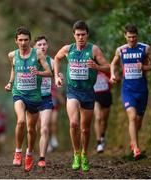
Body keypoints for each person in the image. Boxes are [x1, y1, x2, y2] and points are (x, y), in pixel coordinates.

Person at [54, 20, 109, 172]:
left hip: (88, 92)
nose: (80, 38)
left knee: (85, 129)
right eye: (78, 35)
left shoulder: (94, 50)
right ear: (74, 35)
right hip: (72, 91)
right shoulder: (68, 49)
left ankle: (84, 153)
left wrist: (97, 67)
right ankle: (76, 153)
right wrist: (57, 76)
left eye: (83, 35)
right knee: (73, 124)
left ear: (87, 35)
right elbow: (57, 58)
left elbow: (108, 67)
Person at [4, 26, 52, 172]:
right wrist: (10, 82)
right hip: (18, 93)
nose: (23, 43)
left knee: (31, 130)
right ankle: (18, 151)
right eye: (20, 40)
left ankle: (29, 153)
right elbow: (13, 69)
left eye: (26, 40)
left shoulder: (37, 54)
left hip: (34, 96)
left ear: (30, 41)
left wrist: (38, 72)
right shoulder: (12, 55)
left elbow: (49, 72)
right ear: (16, 41)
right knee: (21, 121)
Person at [110, 23, 151, 159]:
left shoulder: (145, 49)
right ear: (125, 36)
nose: (132, 40)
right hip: (127, 89)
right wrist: (112, 74)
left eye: (134, 37)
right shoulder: (121, 50)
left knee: (138, 121)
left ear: (137, 36)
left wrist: (144, 67)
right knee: (132, 117)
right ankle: (136, 149)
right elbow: (113, 64)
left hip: (142, 90)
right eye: (129, 37)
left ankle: (133, 141)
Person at [33, 35, 54, 167]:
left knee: (44, 128)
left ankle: (42, 158)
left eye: (44, 44)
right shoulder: (30, 60)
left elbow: (56, 74)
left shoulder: (52, 62)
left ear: (47, 46)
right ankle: (29, 151)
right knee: (32, 129)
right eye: (39, 45)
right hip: (32, 98)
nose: (42, 47)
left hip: (46, 98)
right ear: (35, 47)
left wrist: (60, 77)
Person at [93, 71, 112, 153]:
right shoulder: (90, 69)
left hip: (106, 95)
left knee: (104, 120)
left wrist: (110, 79)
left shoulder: (106, 68)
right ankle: (99, 143)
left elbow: (116, 79)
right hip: (95, 96)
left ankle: (102, 137)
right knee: (98, 117)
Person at [47, 83, 65, 152]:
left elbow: (62, 101)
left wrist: (59, 96)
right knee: (46, 125)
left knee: (54, 122)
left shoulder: (55, 86)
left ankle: (53, 138)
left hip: (54, 107)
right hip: (45, 107)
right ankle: (48, 143)